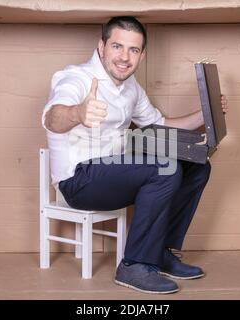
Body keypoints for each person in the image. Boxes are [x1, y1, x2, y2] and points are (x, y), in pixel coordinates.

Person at [42, 16, 228, 294]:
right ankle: (135, 266)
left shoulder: (130, 87)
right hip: (78, 180)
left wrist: (205, 114)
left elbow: (158, 123)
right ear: (101, 46)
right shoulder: (75, 78)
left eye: (133, 50)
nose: (124, 58)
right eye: (117, 46)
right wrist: (77, 113)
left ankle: (160, 252)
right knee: (165, 167)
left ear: (142, 55)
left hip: (112, 174)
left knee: (197, 164)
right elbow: (52, 118)